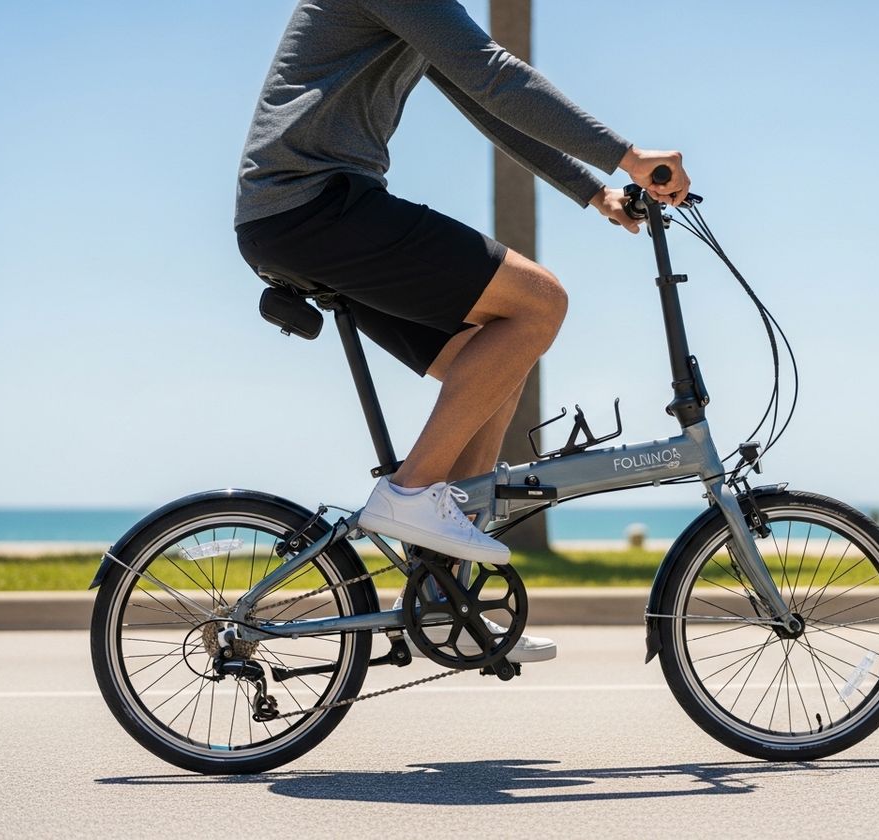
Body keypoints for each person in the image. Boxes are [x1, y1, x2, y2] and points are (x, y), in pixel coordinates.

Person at [234, 1, 690, 660]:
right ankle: (410, 492)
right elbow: (494, 76)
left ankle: (447, 596)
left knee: (498, 360)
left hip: (309, 215)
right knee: (540, 302)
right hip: (316, 205)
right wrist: (628, 156)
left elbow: (487, 103)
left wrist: (595, 191)